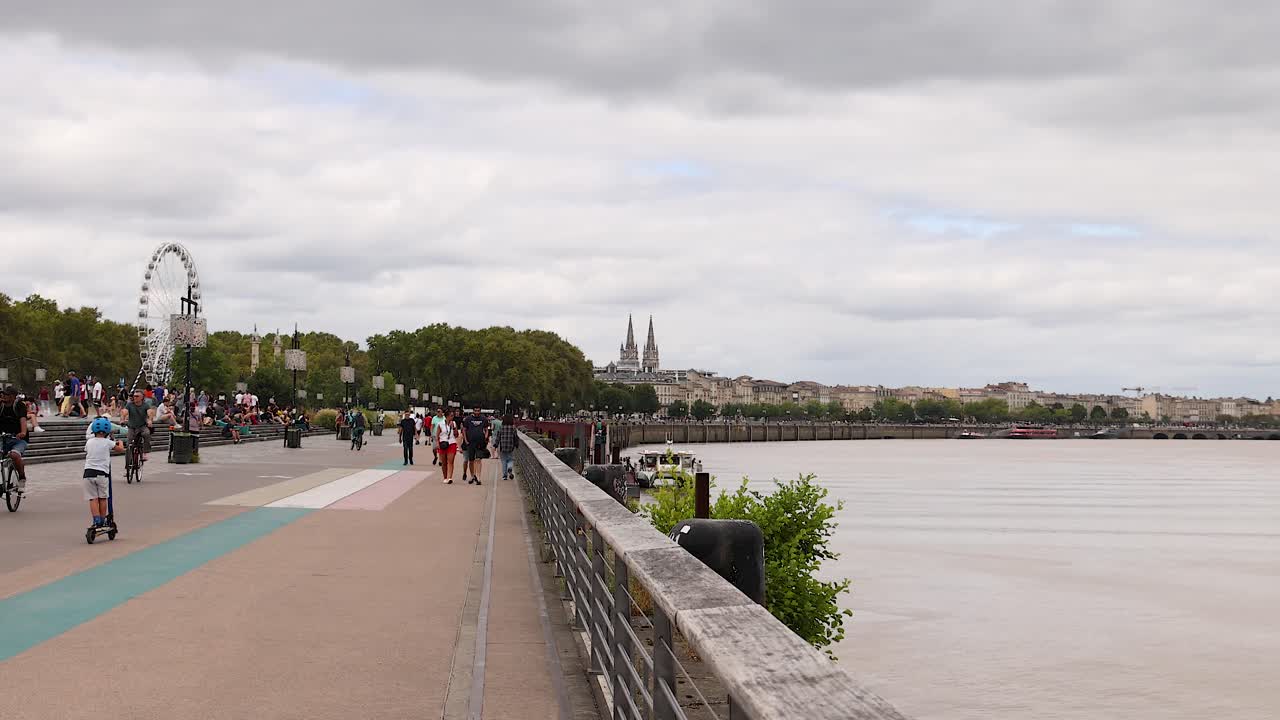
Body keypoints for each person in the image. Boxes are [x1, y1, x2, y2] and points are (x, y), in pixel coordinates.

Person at [83, 417, 123, 529]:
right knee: (102, 498)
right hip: (102, 474)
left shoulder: (89, 442)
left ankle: (96, 520)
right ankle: (102, 519)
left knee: (93, 498)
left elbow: (87, 450)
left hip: (88, 473)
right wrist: (120, 443)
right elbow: (120, 449)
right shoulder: (108, 442)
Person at [1, 386, 30, 495]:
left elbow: (23, 420)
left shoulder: (19, 405)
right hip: (3, 438)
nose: (3, 396)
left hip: (18, 439)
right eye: (3, 394)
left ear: (13, 396)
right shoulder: (1, 406)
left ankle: (22, 478)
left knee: (14, 455)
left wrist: (23, 432)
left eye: (6, 394)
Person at [120, 389, 155, 462]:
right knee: (129, 443)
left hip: (142, 426)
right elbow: (124, 412)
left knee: (146, 433)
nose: (135, 397)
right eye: (134, 396)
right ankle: (128, 466)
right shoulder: (129, 404)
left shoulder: (145, 405)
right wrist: (122, 419)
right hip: (132, 427)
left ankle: (145, 452)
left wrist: (150, 420)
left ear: (142, 397)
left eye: (137, 396)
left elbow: (150, 413)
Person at [460, 406, 490, 486]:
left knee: (479, 459)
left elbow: (487, 429)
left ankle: (478, 477)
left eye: (478, 411)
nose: (477, 412)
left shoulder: (484, 419)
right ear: (473, 411)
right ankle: (472, 476)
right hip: (470, 442)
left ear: (480, 411)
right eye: (475, 411)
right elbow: (464, 430)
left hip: (480, 442)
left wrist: (486, 437)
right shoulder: (468, 419)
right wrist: (466, 440)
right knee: (471, 460)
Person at [436, 409, 458, 484]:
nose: (453, 417)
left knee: (450, 461)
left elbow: (456, 435)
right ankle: (445, 477)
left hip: (452, 443)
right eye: (451, 415)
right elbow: (437, 435)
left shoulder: (454, 423)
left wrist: (454, 428)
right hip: (443, 443)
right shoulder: (440, 423)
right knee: (444, 462)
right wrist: (437, 444)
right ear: (447, 416)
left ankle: (450, 477)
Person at [495, 414, 518, 480]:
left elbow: (498, 437)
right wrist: (516, 444)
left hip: (503, 446)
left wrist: (496, 444)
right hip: (511, 446)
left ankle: (505, 476)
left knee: (504, 461)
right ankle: (510, 467)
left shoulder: (501, 428)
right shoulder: (513, 428)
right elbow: (515, 437)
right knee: (510, 459)